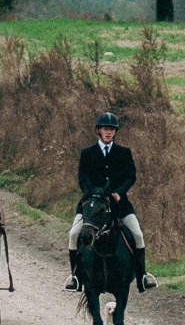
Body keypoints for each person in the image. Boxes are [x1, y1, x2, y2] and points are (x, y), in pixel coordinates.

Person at [66, 112, 156, 293]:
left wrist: (119, 192)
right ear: (98, 130)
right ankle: (75, 276)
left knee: (137, 235)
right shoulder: (87, 153)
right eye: (105, 129)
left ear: (115, 132)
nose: (108, 132)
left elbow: (131, 176)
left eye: (112, 130)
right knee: (74, 233)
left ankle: (142, 276)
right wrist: (92, 193)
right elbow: (82, 178)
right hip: (92, 205)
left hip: (119, 205)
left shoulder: (124, 152)